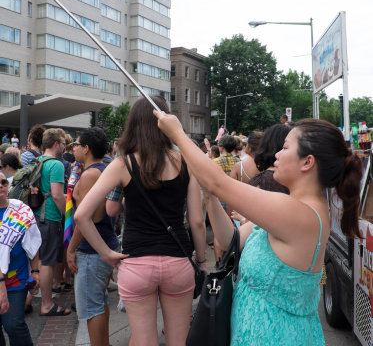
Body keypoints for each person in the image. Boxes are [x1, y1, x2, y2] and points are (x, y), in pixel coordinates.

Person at [154, 112, 362, 346]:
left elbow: (218, 181)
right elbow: (230, 238)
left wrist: (177, 134)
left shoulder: (299, 214)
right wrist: (211, 197)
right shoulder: (290, 208)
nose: (277, 154)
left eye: (285, 148)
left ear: (307, 162)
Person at [74, 96, 206, 346]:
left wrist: (106, 253)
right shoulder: (186, 163)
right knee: (179, 340)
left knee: (144, 340)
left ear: (133, 124)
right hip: (178, 260)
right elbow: (197, 221)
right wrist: (200, 260)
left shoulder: (122, 164)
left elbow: (82, 215)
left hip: (136, 263)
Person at [66, 128, 118, 346]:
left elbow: (88, 218)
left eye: (76, 145)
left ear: (86, 149)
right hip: (103, 245)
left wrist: (71, 249)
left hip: (91, 250)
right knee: (100, 301)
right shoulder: (101, 170)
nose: (74, 149)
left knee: (91, 307)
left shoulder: (90, 174)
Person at [0, 172, 41, 346]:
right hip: (2, 280)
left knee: (14, 324)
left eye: (3, 182)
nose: (0, 185)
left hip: (17, 279)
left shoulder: (21, 210)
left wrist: (36, 270)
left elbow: (32, 243)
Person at [34, 129, 70, 317]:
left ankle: (42, 299)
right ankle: (47, 304)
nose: (65, 146)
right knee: (47, 262)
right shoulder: (56, 165)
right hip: (49, 218)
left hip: (37, 217)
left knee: (40, 260)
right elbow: (56, 195)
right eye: (63, 143)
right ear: (56, 143)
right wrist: (67, 216)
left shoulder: (38, 160)